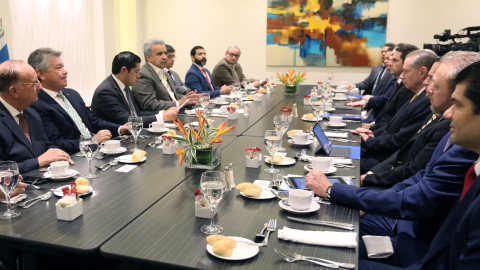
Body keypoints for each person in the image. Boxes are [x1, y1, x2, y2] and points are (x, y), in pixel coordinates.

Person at [359, 60, 480, 270]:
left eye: (457, 104)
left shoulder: (459, 141)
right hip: (407, 222)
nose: (449, 113)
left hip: (412, 236)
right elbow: (412, 163)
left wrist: (338, 190)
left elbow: (415, 185)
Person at [362, 51, 480, 189]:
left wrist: (369, 180)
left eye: (433, 82)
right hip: (394, 177)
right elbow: (406, 154)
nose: (427, 86)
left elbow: (418, 179)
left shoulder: (452, 129)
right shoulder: (434, 110)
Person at [28, 48, 129, 155]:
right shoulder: (36, 104)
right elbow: (55, 143)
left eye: (63, 66)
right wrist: (91, 142)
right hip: (75, 157)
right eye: (58, 68)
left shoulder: (72, 94)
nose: (65, 71)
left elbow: (93, 121)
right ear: (41, 74)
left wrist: (120, 129)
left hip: (98, 151)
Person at [355, 49, 436, 173]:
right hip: (382, 147)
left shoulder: (426, 101)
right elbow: (393, 124)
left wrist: (370, 141)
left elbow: (401, 139)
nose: (402, 76)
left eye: (406, 71)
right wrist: (372, 133)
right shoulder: (416, 95)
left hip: (386, 158)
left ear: (422, 72)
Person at [0, 60, 73, 174]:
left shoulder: (31, 113)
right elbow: (1, 170)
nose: (40, 87)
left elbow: (45, 144)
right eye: (34, 83)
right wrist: (38, 161)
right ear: (14, 91)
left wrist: (58, 154)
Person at [91, 51, 178, 127]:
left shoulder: (125, 86)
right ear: (124, 70)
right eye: (136, 71)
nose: (139, 76)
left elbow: (137, 113)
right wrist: (162, 117)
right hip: (115, 140)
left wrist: (163, 112)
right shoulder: (106, 91)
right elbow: (127, 120)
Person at [362, 44, 418, 130]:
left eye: (394, 60)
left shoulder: (408, 88)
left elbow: (395, 124)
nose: (388, 63)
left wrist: (372, 130)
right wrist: (373, 124)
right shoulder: (398, 82)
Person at [133, 38, 198, 112]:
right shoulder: (143, 74)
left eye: (165, 53)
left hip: (177, 113)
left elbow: (171, 95)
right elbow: (149, 104)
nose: (164, 57)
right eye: (159, 54)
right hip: (161, 120)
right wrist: (178, 103)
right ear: (148, 57)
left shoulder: (164, 71)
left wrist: (189, 99)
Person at [347, 48, 397, 122]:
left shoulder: (393, 76)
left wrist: (368, 101)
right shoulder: (376, 68)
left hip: (377, 112)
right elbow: (366, 83)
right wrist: (354, 86)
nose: (383, 54)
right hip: (372, 107)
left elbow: (385, 99)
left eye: (389, 58)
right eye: (382, 52)